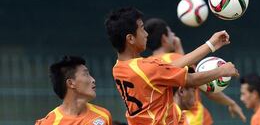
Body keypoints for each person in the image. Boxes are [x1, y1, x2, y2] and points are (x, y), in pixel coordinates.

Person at [104, 7, 239, 125]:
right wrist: (222, 70)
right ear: (130, 38)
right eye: (142, 29)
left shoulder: (119, 68)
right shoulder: (147, 68)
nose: (146, 34)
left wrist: (211, 44)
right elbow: (191, 80)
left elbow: (168, 67)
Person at [145, 18, 246, 124]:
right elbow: (206, 87)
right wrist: (231, 103)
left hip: (167, 119)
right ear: (164, 38)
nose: (173, 34)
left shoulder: (148, 67)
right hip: (193, 118)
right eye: (170, 32)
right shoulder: (175, 59)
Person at [35, 56, 112, 125]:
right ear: (71, 83)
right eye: (86, 74)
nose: (93, 80)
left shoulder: (103, 115)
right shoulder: (49, 122)